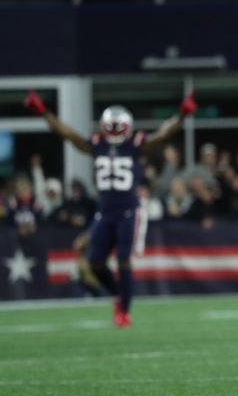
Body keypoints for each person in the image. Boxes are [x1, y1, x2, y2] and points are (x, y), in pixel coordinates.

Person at [24, 89, 196, 327]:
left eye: (118, 126)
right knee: (95, 262)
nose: (115, 131)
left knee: (124, 260)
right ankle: (119, 295)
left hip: (128, 212)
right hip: (104, 213)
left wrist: (182, 117)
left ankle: (124, 311)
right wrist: (43, 112)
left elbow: (162, 135)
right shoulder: (97, 145)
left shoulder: (136, 146)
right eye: (112, 126)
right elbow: (68, 134)